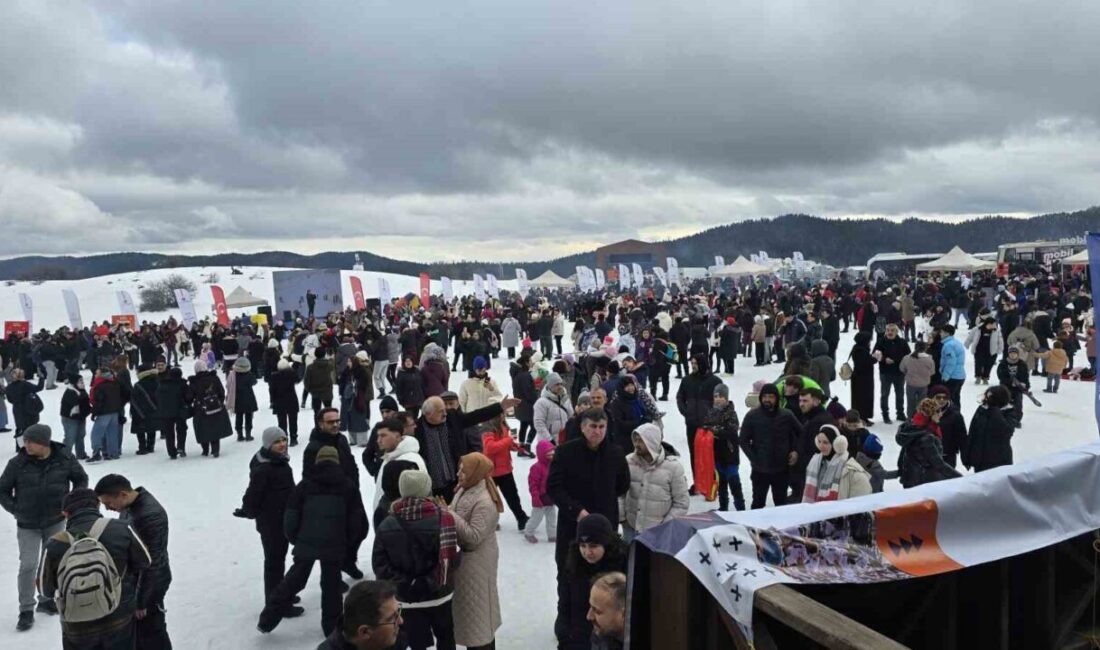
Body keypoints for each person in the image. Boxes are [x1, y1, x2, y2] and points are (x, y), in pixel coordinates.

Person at [258, 445, 366, 637]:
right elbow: (357, 520)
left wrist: (296, 539)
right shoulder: (347, 485)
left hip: (306, 542)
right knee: (331, 587)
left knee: (292, 581)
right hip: (335, 544)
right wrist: (347, 542)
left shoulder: (304, 485)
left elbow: (291, 516)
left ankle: (267, 620)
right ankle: (331, 628)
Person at [547, 408, 630, 644]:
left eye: (601, 426)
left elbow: (622, 485)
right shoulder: (565, 452)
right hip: (573, 531)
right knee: (569, 578)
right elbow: (553, 488)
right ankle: (567, 624)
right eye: (592, 426)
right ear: (583, 427)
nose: (597, 431)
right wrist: (577, 511)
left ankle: (606, 624)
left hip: (606, 532)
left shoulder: (615, 454)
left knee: (607, 578)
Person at [0, 423, 89, 631]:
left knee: (52, 561)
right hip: (27, 523)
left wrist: (71, 501)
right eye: (25, 441)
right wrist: (16, 509)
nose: (26, 445)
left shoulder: (64, 458)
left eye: (31, 442)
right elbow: (2, 490)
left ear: (43, 443)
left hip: (56, 519)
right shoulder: (17, 463)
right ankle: (26, 609)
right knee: (29, 565)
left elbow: (80, 479)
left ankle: (46, 599)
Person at [38, 488, 151, 648]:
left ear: (66, 514)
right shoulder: (121, 528)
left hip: (77, 625)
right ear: (97, 505)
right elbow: (144, 561)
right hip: (119, 616)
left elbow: (44, 590)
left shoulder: (54, 543)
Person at [372, 469, 457, 650]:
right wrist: (427, 583)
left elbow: (380, 564)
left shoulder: (387, 523)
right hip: (439, 596)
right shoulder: (444, 518)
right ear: (426, 489)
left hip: (405, 599)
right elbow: (449, 560)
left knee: (416, 642)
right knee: (446, 637)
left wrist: (407, 584)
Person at [94, 474, 173, 649]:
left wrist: (141, 601)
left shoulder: (148, 515)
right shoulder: (131, 505)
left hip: (150, 586)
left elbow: (152, 563)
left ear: (122, 494)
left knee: (153, 633)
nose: (108, 509)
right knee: (141, 635)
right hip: (137, 583)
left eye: (109, 503)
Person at [233, 427, 303, 613]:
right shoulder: (265, 468)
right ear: (267, 445)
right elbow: (253, 495)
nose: (282, 445)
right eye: (277, 442)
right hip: (272, 523)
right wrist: (248, 511)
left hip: (282, 519)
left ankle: (280, 594)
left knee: (278, 560)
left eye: (284, 440)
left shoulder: (277, 461)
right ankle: (277, 603)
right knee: (274, 562)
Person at [414, 395, 517, 503]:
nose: (445, 413)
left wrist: (499, 407)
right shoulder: (417, 430)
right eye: (440, 411)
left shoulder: (452, 417)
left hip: (457, 482)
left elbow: (476, 416)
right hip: (434, 487)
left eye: (444, 409)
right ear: (428, 414)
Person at [304, 408, 368, 580]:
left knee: (361, 529)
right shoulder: (314, 447)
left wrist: (355, 484)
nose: (336, 424)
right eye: (330, 422)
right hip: (332, 501)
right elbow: (309, 477)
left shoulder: (341, 439)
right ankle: (334, 577)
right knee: (335, 540)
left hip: (352, 493)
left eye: (337, 421)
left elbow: (351, 462)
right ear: (320, 424)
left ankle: (348, 561)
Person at [448, 452, 503, 650]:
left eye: (464, 470)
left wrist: (449, 514)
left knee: (479, 619)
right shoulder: (466, 487)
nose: (459, 473)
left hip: (477, 565)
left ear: (476, 472)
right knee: (472, 616)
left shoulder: (484, 501)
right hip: (467, 565)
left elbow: (473, 538)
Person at [560, 514, 627, 650]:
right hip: (581, 633)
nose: (587, 552)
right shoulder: (573, 565)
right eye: (583, 546)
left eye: (593, 546)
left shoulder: (624, 564)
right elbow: (565, 605)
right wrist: (565, 638)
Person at [621, 423, 689, 541]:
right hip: (630, 529)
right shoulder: (628, 462)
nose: (636, 444)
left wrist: (665, 527)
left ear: (651, 442)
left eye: (641, 441)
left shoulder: (673, 468)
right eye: (635, 440)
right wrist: (623, 518)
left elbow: (681, 503)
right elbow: (619, 492)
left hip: (658, 534)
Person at [738, 384, 800, 509]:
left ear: (777, 398)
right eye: (765, 396)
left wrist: (795, 451)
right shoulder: (752, 416)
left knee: (781, 504)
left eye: (771, 397)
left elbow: (801, 434)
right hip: (760, 471)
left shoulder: (786, 415)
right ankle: (756, 528)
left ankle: (782, 527)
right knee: (758, 504)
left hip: (781, 469)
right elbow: (743, 440)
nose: (767, 399)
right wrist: (754, 459)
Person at [675, 354, 722, 488]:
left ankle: (713, 482)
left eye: (695, 363)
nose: (693, 365)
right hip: (692, 424)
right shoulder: (686, 380)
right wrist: (686, 412)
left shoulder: (715, 381)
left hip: (709, 426)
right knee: (694, 454)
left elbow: (720, 403)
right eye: (692, 363)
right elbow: (680, 397)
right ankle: (698, 482)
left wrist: (712, 418)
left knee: (711, 454)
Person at [316, 580, 403, 650]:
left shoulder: (393, 636)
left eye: (398, 612)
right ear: (365, 632)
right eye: (392, 618)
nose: (401, 621)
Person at [480, 408, 529, 531]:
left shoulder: (504, 425)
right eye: (501, 412)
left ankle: (521, 518)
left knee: (513, 496)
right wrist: (508, 441)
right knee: (490, 499)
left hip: (505, 469)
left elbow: (507, 444)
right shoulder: (488, 428)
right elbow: (489, 448)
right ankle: (490, 522)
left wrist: (515, 446)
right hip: (491, 471)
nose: (503, 415)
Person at [896, 399, 962, 488]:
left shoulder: (913, 428)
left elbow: (903, 455)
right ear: (929, 415)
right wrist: (960, 478)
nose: (941, 414)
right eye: (937, 411)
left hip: (911, 480)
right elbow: (938, 463)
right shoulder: (927, 437)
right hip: (923, 483)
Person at [370, 417, 426, 519]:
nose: (378, 440)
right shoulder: (390, 456)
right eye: (378, 436)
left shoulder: (410, 460)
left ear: (397, 436)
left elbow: (417, 496)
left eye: (383, 436)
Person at [802, 425, 871, 503]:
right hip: (817, 512)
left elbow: (861, 500)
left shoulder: (850, 470)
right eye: (819, 441)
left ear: (837, 444)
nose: (821, 446)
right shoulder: (815, 463)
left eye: (825, 442)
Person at [704, 383, 743, 511]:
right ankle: (723, 507)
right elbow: (706, 427)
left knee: (734, 483)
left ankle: (740, 508)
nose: (718, 399)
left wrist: (715, 431)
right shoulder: (710, 412)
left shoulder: (731, 413)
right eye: (716, 396)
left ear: (726, 398)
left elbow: (731, 431)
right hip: (716, 454)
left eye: (721, 396)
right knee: (721, 485)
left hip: (730, 454)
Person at [791, 387, 834, 500]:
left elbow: (813, 450)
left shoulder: (818, 421)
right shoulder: (813, 417)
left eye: (805, 401)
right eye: (800, 401)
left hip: (813, 475)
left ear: (816, 401)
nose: (801, 404)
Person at [965, 385, 1017, 472]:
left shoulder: (1009, 412)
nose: (987, 400)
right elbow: (972, 432)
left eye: (990, 398)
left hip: (1000, 460)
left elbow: (1007, 431)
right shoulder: (982, 409)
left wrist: (995, 410)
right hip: (980, 459)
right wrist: (967, 456)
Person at [188, 360, 233, 458]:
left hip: (200, 409)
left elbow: (189, 397)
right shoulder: (214, 378)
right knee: (215, 429)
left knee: (202, 429)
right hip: (215, 407)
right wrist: (219, 402)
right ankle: (215, 450)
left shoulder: (194, 382)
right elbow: (221, 391)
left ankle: (205, 449)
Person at [872, 323, 911, 425]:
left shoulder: (902, 342)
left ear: (897, 332)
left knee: (900, 394)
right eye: (888, 330)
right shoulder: (881, 342)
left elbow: (908, 356)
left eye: (892, 330)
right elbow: (874, 355)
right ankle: (885, 414)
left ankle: (900, 413)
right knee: (885, 394)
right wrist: (884, 359)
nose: (889, 332)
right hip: (885, 373)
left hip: (899, 373)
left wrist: (899, 361)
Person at [523, 440, 557, 544]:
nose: (551, 456)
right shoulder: (536, 468)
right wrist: (535, 497)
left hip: (550, 497)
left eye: (553, 454)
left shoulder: (553, 466)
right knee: (536, 518)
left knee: (552, 518)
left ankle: (552, 535)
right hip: (540, 498)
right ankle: (528, 532)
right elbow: (533, 485)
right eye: (548, 455)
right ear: (542, 455)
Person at [928, 385, 969, 468]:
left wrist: (966, 458)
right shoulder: (924, 411)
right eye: (938, 397)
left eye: (945, 397)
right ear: (932, 397)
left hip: (947, 455)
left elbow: (962, 437)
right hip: (927, 455)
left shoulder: (955, 415)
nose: (942, 400)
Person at [89, 367, 124, 461]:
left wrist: (94, 413)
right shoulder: (115, 383)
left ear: (102, 375)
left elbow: (99, 401)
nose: (95, 375)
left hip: (104, 413)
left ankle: (96, 453)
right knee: (112, 433)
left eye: (97, 373)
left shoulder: (100, 385)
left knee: (96, 434)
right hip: (114, 412)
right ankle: (114, 453)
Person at [339, 352, 374, 447]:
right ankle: (353, 439)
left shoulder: (361, 371)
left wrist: (355, 386)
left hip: (358, 397)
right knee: (349, 418)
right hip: (347, 398)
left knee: (359, 418)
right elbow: (341, 382)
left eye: (349, 361)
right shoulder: (346, 371)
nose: (348, 363)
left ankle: (362, 440)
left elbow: (364, 384)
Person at [587, 572, 627, 650]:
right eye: (590, 606)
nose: (589, 616)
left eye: (597, 611)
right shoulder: (601, 632)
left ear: (624, 614)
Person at [533, 372, 573, 447]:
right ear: (550, 386)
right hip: (548, 443)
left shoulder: (565, 398)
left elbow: (571, 416)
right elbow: (539, 423)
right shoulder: (541, 402)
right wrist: (550, 440)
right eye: (557, 384)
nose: (560, 386)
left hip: (564, 441)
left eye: (561, 384)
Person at [269, 358, 302, 446]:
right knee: (293, 420)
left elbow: (271, 390)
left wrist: (272, 401)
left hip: (279, 401)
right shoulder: (291, 374)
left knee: (281, 421)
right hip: (292, 399)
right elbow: (298, 380)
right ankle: (293, 438)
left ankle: (283, 438)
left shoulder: (274, 376)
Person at [899, 341, 935, 420]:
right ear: (925, 348)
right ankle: (921, 419)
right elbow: (932, 372)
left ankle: (910, 418)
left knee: (910, 402)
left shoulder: (907, 358)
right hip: (923, 384)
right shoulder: (929, 359)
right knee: (922, 403)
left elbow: (902, 368)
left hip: (911, 384)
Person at [59, 373, 91, 460]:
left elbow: (86, 404)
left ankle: (81, 454)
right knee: (70, 437)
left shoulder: (82, 391)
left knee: (80, 435)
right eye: (80, 381)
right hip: (70, 419)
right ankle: (64, 456)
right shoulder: (70, 392)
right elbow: (77, 406)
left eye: (82, 381)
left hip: (80, 417)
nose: (82, 383)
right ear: (74, 383)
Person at [997, 346, 1030, 425]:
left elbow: (1025, 376)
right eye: (1011, 353)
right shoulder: (1003, 364)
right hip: (1005, 388)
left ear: (1017, 354)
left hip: (1018, 389)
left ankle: (1016, 420)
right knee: (1004, 403)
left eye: (1014, 353)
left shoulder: (1022, 364)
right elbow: (1001, 376)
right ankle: (1003, 418)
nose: (1013, 355)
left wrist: (1026, 386)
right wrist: (1010, 382)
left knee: (1018, 405)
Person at [965, 316, 1003, 384]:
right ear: (988, 324)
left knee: (989, 365)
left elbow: (1000, 341)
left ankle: (985, 377)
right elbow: (970, 337)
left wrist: (1000, 349)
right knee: (978, 364)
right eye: (993, 324)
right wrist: (967, 344)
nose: (994, 325)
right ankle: (978, 377)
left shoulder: (996, 331)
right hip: (979, 350)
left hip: (992, 351)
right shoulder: (977, 329)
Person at [849, 331, 876, 426]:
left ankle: (863, 417)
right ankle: (862, 417)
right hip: (862, 379)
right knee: (863, 399)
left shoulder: (858, 348)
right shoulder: (861, 350)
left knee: (860, 399)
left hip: (860, 378)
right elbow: (863, 364)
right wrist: (874, 359)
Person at [938, 324, 967, 407]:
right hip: (960, 375)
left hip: (953, 377)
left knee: (949, 399)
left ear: (947, 333)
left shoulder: (948, 345)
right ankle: (957, 416)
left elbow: (951, 362)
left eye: (942, 332)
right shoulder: (955, 343)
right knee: (955, 398)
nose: (940, 334)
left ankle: (952, 416)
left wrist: (945, 375)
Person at [305, 348, 337, 417]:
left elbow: (306, 381)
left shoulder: (310, 367)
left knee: (317, 413)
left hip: (315, 392)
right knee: (328, 412)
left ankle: (318, 427)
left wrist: (310, 390)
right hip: (327, 391)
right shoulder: (329, 365)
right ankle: (329, 426)